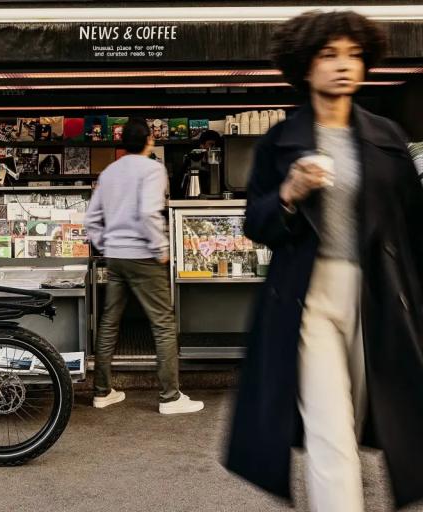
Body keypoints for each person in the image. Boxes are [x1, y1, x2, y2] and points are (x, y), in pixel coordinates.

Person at [225, 10, 423, 511]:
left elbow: (412, 223)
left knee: (376, 415)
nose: (343, 65)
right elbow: (255, 224)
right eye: (329, 54)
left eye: (354, 55)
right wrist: (288, 194)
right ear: (305, 66)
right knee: (329, 425)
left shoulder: (386, 138)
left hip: (380, 294)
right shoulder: (280, 141)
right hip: (307, 297)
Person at [85, 118, 204, 415]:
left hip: (116, 257)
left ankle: (102, 391)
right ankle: (170, 397)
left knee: (109, 323)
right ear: (150, 140)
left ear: (122, 142)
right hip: (144, 256)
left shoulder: (109, 172)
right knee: (163, 324)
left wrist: (108, 243)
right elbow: (149, 212)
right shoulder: (153, 169)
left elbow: (90, 220)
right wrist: (161, 248)